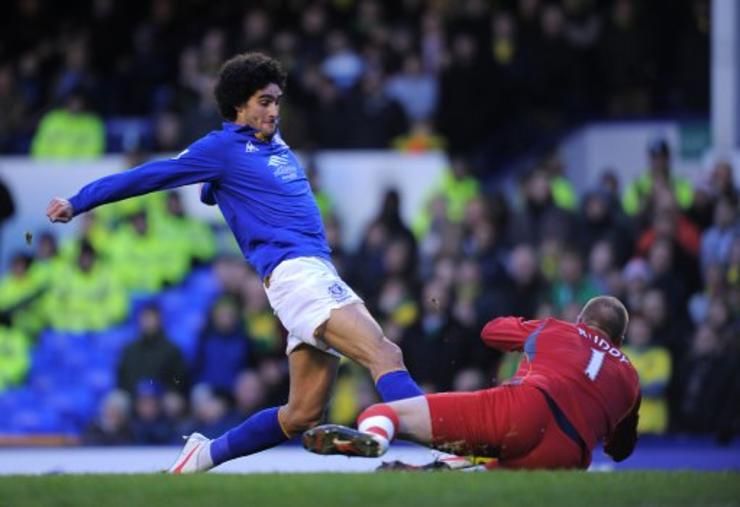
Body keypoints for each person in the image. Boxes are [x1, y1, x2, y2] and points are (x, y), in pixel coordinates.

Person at [45, 52, 423, 473]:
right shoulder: (221, 147)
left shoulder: (272, 143)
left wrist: (214, 189)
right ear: (238, 105)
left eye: (277, 100)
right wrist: (79, 201)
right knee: (384, 353)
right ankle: (440, 444)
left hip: (311, 274)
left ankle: (201, 456)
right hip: (298, 273)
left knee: (301, 416)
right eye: (264, 101)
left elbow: (232, 186)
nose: (274, 111)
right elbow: (150, 175)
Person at [303, 296, 641, 470]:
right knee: (480, 476)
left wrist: (531, 330)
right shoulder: (630, 379)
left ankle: (374, 437)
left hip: (526, 407)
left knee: (386, 412)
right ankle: (439, 471)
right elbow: (619, 450)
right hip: (569, 454)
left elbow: (491, 332)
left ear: (581, 319)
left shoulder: (559, 328)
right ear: (620, 341)